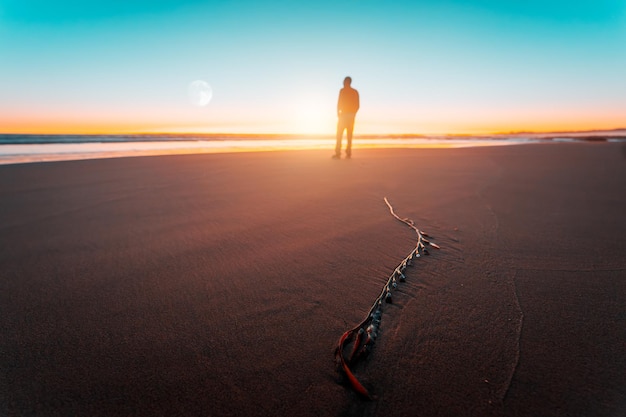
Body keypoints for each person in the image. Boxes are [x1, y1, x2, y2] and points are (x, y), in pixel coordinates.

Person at [333, 76, 360, 159]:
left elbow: (339, 102)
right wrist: (353, 114)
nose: (343, 83)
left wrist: (339, 113)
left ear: (346, 82)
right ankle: (347, 152)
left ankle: (339, 153)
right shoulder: (353, 91)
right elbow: (357, 105)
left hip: (345, 115)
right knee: (348, 134)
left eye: (344, 81)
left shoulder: (345, 91)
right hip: (348, 115)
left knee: (340, 134)